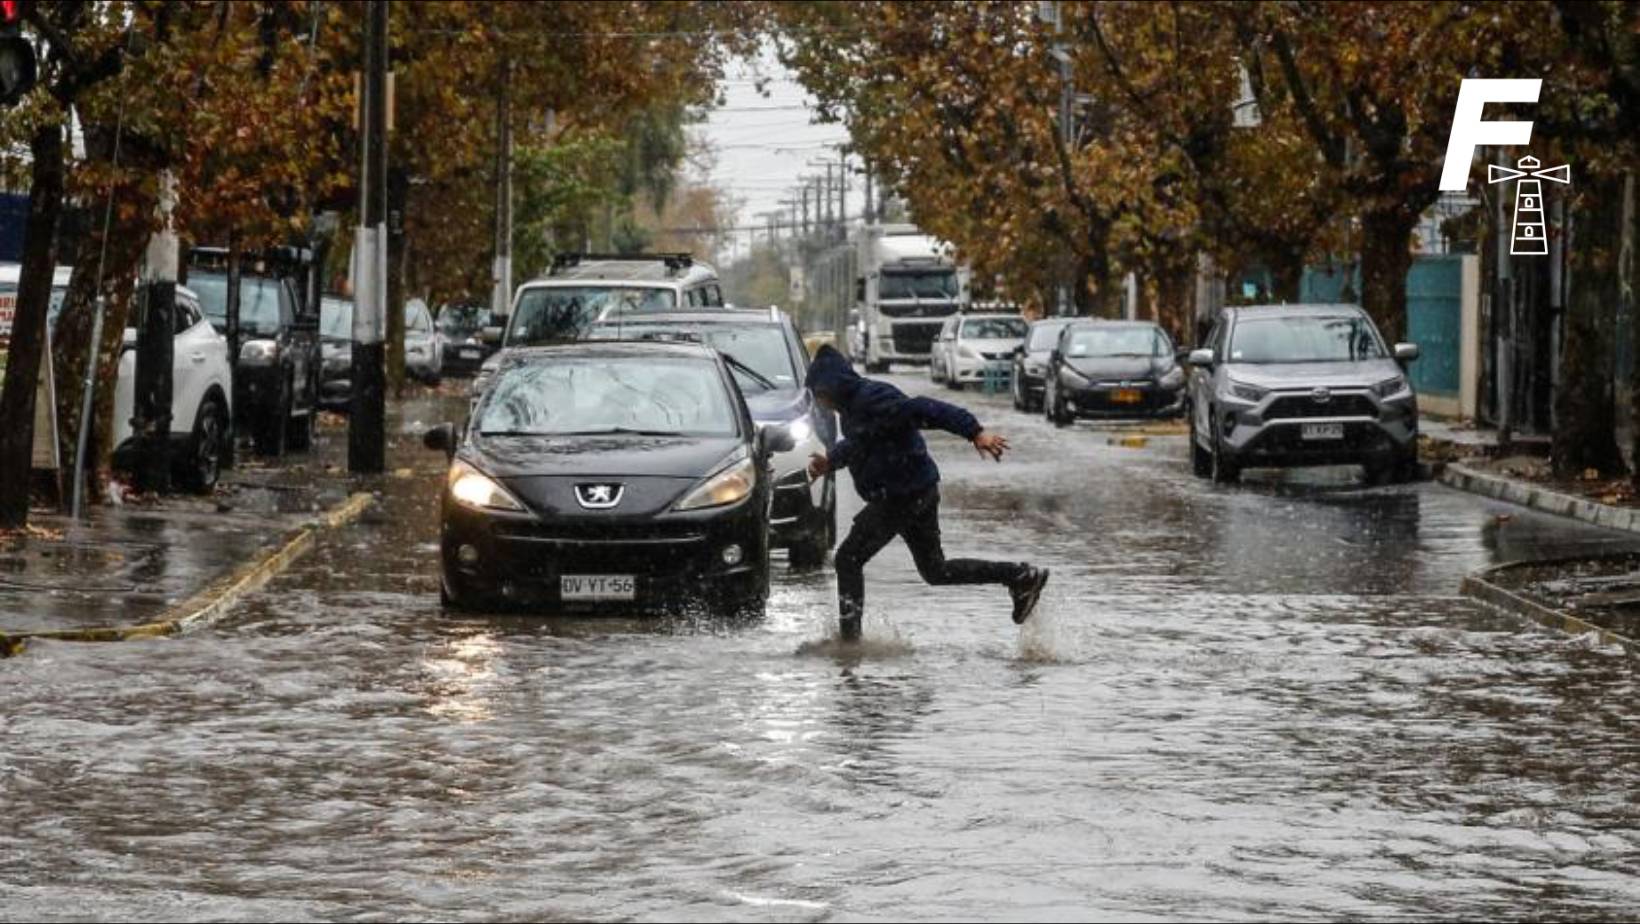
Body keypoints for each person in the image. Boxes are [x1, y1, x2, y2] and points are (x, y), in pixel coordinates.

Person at [804, 345, 1049, 641]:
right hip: (915, 492)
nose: (819, 402)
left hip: (900, 496)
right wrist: (831, 461)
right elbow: (863, 442)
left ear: (831, 386)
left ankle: (849, 643)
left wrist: (974, 432)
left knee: (848, 559)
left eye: (818, 394)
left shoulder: (873, 398)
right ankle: (1019, 576)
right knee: (936, 571)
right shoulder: (854, 409)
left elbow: (922, 408)